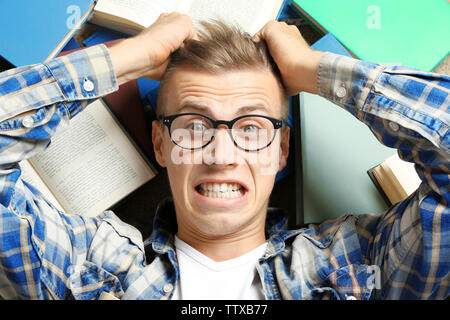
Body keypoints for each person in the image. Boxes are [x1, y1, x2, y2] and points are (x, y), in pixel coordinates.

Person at [0, 12, 448, 300]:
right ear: (160, 144)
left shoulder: (360, 264)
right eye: (194, 126)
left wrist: (313, 70)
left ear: (281, 149)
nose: (220, 154)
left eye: (251, 129)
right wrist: (129, 58)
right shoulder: (87, 267)